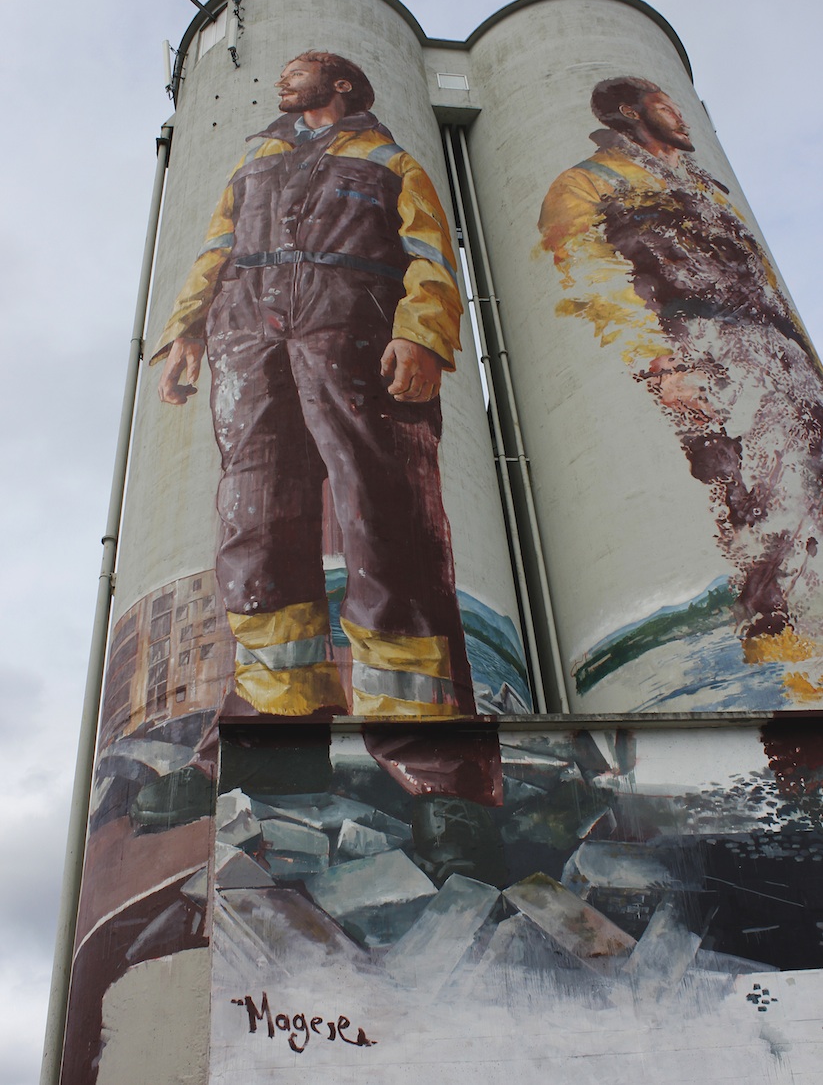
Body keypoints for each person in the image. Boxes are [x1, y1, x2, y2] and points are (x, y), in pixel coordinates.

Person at [133, 52, 503, 879]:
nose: (280, 80)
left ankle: (440, 773)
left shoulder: (390, 162)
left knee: (391, 530)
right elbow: (216, 246)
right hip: (249, 334)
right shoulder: (256, 159)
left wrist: (422, 333)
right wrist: (186, 330)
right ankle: (272, 739)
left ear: (340, 85)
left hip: (357, 328)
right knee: (254, 527)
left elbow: (430, 258)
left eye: (297, 71)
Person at [538, 76, 823, 695]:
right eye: (666, 106)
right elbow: (590, 274)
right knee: (764, 509)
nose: (682, 116)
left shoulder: (706, 186)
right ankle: (790, 688)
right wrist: (661, 364)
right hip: (711, 352)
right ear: (629, 114)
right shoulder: (589, 182)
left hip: (782, 354)